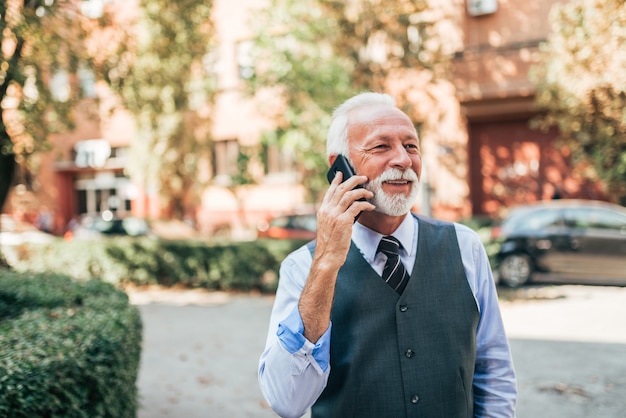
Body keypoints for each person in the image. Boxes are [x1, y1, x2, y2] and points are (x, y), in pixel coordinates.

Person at [258, 92, 517, 418]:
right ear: (339, 165)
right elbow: (287, 401)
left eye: (411, 146)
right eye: (381, 147)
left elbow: (493, 368)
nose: (403, 160)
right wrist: (325, 265)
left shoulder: (466, 247)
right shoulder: (303, 267)